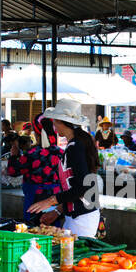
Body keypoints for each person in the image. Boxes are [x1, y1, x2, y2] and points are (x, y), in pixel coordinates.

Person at [27, 99, 101, 237]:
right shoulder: (76, 144)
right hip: (77, 215)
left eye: (55, 121)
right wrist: (57, 211)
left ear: (61, 122)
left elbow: (82, 187)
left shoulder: (75, 147)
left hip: (82, 217)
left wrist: (49, 201)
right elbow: (74, 187)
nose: (54, 125)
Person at [8, 117, 66, 226]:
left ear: (37, 134)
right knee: (53, 233)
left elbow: (12, 171)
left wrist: (14, 156)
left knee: (34, 232)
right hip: (56, 201)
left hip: (35, 201)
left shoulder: (32, 154)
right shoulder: (62, 153)